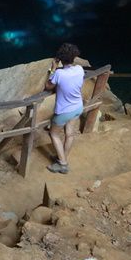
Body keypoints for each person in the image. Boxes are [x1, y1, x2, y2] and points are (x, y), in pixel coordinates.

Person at [45, 43, 84, 174]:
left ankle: (62, 164)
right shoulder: (79, 69)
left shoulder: (59, 74)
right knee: (69, 134)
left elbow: (48, 86)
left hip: (64, 111)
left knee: (54, 134)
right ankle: (63, 158)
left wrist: (53, 69)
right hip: (78, 107)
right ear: (74, 57)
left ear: (60, 58)